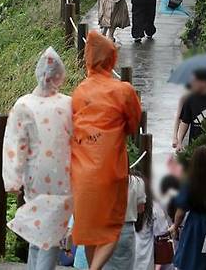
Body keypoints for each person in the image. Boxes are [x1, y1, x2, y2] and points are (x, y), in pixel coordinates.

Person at [70, 31, 142, 270]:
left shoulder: (79, 91)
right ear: (112, 58)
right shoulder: (123, 91)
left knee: (90, 231)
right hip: (110, 169)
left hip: (81, 170)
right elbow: (133, 125)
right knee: (112, 229)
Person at [3, 47, 73, 270]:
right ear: (60, 75)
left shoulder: (23, 104)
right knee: (49, 236)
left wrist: (13, 180)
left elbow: (15, 143)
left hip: (35, 176)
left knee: (39, 232)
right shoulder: (69, 104)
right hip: (65, 176)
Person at [73, 170, 146, 270]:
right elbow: (141, 208)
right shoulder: (137, 182)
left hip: (105, 227)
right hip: (126, 230)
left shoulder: (104, 180)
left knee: (103, 265)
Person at [175, 69, 206, 151]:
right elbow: (185, 122)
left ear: (204, 82)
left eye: (195, 81)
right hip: (194, 146)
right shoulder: (190, 99)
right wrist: (179, 142)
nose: (192, 84)